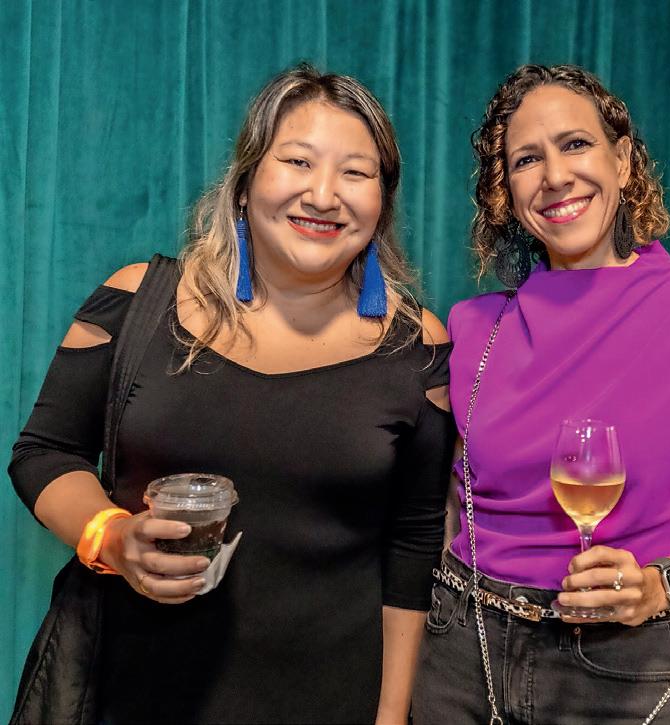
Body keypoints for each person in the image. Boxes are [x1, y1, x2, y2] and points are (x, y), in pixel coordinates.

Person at [9, 65, 455, 724]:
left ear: (382, 203)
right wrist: (112, 535)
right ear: (245, 183)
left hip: (331, 700)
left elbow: (414, 544)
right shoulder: (135, 300)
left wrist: (391, 717)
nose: (323, 194)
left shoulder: (417, 347)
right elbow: (44, 452)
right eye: (297, 161)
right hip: (132, 695)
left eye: (356, 173)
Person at [412, 64, 670, 725]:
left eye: (575, 144)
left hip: (620, 666)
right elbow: (454, 503)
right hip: (462, 658)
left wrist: (661, 584)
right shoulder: (475, 328)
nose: (555, 175)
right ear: (507, 191)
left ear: (621, 161)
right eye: (527, 159)